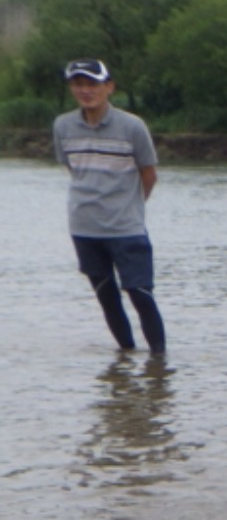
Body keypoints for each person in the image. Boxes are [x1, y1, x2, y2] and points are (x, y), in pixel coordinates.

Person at [53, 59, 167, 355]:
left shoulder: (132, 126)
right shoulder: (63, 126)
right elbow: (74, 169)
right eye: (79, 84)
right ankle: (126, 356)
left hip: (126, 227)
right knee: (106, 296)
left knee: (140, 293)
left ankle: (159, 362)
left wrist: (130, 207)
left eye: (92, 84)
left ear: (109, 87)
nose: (85, 91)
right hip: (84, 227)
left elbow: (149, 173)